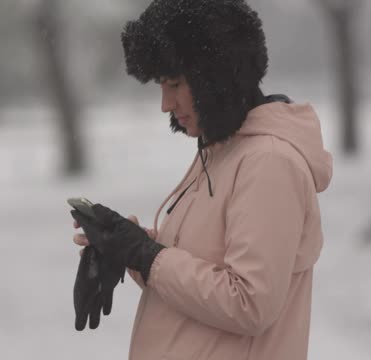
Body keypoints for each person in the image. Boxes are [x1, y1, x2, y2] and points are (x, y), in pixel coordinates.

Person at [70, 0, 333, 359]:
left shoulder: (269, 163)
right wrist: (126, 247)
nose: (165, 103)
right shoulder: (222, 152)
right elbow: (198, 273)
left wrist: (148, 256)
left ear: (218, 76)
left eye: (174, 83)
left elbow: (248, 303)